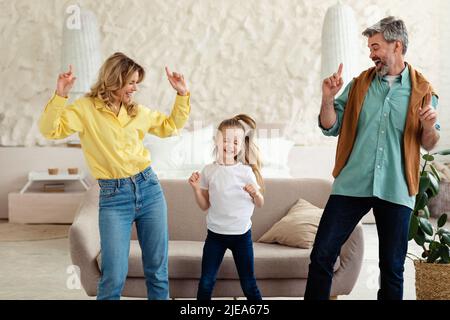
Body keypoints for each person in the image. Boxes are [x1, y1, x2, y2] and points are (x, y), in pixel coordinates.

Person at [305, 16, 440, 300]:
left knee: (392, 268)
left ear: (397, 45)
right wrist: (328, 99)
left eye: (376, 46)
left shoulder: (423, 91)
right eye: (370, 48)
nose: (371, 54)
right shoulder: (358, 86)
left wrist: (428, 126)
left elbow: (429, 143)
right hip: (352, 183)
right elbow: (331, 127)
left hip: (396, 186)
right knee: (321, 255)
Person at [39, 52, 191, 300]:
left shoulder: (137, 112)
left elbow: (171, 126)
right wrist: (60, 95)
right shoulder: (85, 109)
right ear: (114, 80)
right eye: (131, 82)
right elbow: (50, 130)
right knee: (113, 276)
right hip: (113, 196)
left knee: (157, 272)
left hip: (149, 189)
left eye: (136, 83)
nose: (135, 88)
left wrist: (182, 94)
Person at [188, 114, 264, 300]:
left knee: (248, 283)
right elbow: (204, 205)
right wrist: (197, 190)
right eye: (226, 140)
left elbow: (260, 203)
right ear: (216, 139)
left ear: (241, 145)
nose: (230, 145)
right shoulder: (209, 171)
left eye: (236, 142)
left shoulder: (246, 172)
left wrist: (255, 193)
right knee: (206, 281)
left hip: (241, 236)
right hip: (216, 236)